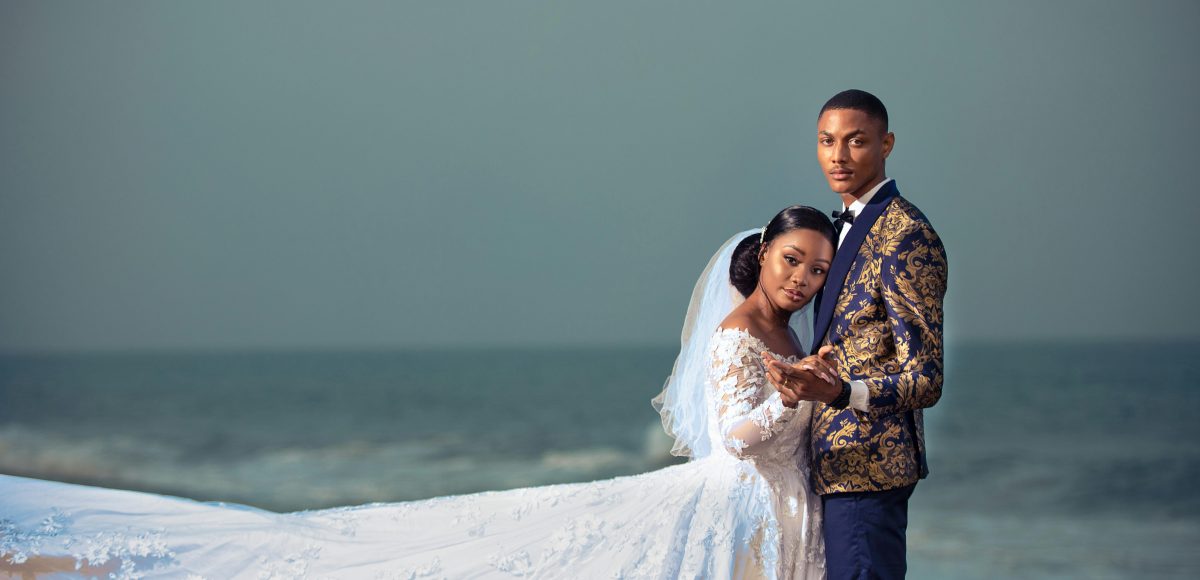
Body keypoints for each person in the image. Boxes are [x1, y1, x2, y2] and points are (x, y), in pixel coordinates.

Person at [0, 206, 843, 579]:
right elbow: (735, 436)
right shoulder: (740, 334)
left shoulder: (787, 335)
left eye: (816, 266)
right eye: (791, 258)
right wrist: (796, 397)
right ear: (761, 253)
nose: (803, 277)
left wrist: (809, 386)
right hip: (740, 499)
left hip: (782, 505)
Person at [764, 89, 948, 579]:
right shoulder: (833, 229)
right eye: (827, 141)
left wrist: (843, 392)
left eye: (856, 141)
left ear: (886, 144)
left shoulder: (906, 234)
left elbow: (926, 378)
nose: (838, 156)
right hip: (828, 470)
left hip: (871, 470)